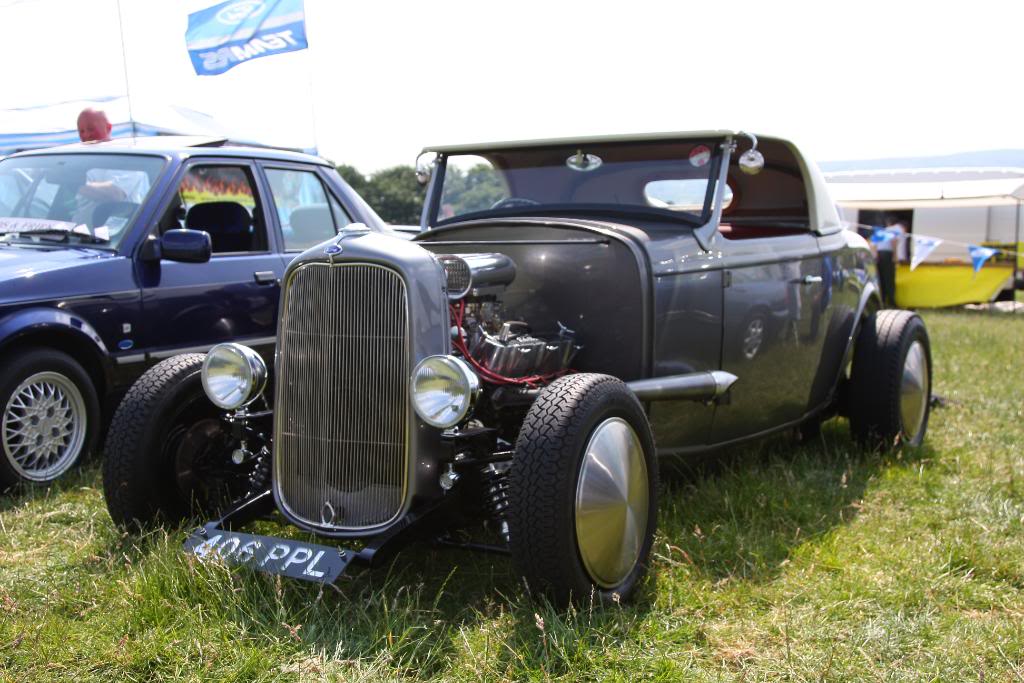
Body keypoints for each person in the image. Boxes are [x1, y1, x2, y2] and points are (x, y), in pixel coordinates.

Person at [877, 215, 908, 307]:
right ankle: (891, 302)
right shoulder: (899, 229)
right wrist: (895, 255)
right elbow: (894, 241)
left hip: (880, 254)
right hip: (888, 254)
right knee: (889, 278)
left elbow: (875, 243)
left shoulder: (885, 229)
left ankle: (882, 301)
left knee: (881, 278)